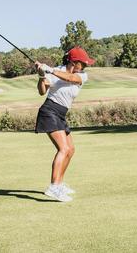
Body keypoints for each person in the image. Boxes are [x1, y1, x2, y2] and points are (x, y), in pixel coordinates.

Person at [34, 46, 95, 202]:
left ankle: (59, 184)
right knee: (64, 148)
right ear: (74, 62)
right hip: (49, 112)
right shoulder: (56, 71)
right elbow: (42, 91)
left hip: (61, 114)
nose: (86, 66)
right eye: (84, 63)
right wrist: (41, 76)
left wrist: (50, 70)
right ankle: (53, 187)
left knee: (71, 150)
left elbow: (71, 79)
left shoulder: (81, 75)